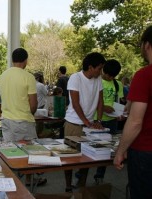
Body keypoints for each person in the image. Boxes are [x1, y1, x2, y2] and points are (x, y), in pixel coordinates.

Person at [0, 48, 47, 186]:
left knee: (10, 153)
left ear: (13, 60)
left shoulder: (2, 76)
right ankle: (27, 184)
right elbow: (33, 104)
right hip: (23, 120)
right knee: (29, 155)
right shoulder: (28, 77)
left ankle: (13, 182)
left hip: (6, 119)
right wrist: (29, 112)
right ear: (25, 60)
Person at [114, 25, 152, 199]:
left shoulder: (144, 75)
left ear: (146, 45)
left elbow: (136, 121)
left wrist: (121, 150)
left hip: (145, 152)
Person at [64, 52, 105, 192]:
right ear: (90, 67)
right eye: (99, 68)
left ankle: (81, 185)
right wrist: (87, 122)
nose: (101, 72)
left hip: (89, 124)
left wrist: (98, 120)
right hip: (73, 123)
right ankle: (68, 186)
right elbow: (75, 104)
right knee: (68, 158)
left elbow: (101, 101)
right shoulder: (75, 78)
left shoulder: (98, 79)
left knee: (87, 158)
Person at [93, 59, 123, 184]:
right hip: (96, 120)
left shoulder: (118, 84)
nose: (109, 77)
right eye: (107, 74)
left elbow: (119, 102)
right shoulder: (96, 81)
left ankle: (99, 176)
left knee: (106, 151)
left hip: (112, 121)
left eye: (112, 76)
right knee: (89, 148)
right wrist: (104, 108)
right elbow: (91, 101)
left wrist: (120, 114)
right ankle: (80, 175)